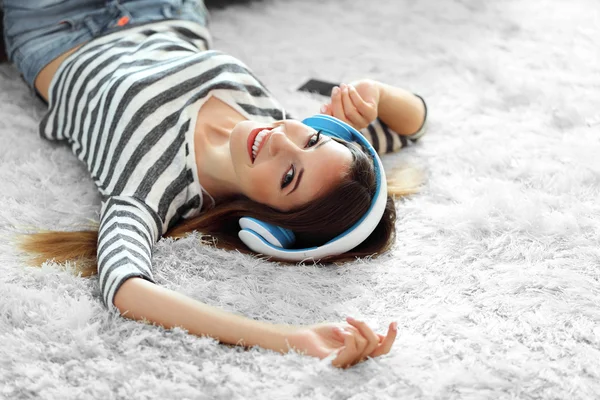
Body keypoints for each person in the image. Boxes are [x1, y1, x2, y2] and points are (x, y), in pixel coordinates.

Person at [2, 0, 428, 369]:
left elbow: (126, 288)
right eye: (312, 138)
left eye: (288, 176)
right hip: (167, 12)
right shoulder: (268, 112)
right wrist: (373, 92)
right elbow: (412, 125)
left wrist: (291, 339)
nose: (281, 137)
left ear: (267, 226)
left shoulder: (152, 186)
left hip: (56, 27)